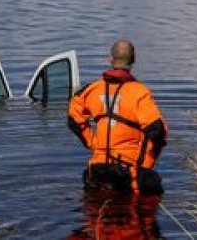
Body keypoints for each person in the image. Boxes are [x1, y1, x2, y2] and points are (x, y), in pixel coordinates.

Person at [67, 39, 167, 195]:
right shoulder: (139, 92)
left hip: (98, 170)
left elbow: (73, 117)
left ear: (110, 59)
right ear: (133, 60)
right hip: (128, 172)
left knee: (95, 216)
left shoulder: (91, 90)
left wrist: (92, 142)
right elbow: (157, 130)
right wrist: (145, 165)